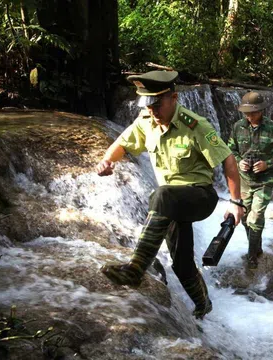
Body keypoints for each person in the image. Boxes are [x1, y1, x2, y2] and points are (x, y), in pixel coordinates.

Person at [97, 70, 244, 319]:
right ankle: (203, 305)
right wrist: (108, 161)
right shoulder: (146, 121)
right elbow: (123, 142)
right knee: (182, 264)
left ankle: (135, 269)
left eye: (157, 104)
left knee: (161, 194)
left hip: (199, 197)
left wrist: (235, 202)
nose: (153, 110)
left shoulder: (195, 125)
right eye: (148, 104)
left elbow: (228, 160)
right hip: (172, 205)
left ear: (173, 98)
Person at [227, 92, 273, 269]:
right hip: (244, 181)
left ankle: (251, 254)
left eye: (253, 112)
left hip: (264, 180)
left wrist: (267, 164)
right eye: (246, 112)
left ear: (261, 111)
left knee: (256, 217)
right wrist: (240, 162)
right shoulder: (238, 126)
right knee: (246, 218)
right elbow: (231, 150)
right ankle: (257, 247)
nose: (249, 116)